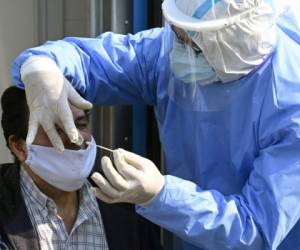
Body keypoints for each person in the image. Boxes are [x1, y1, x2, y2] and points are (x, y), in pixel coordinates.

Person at [11, 0, 300, 249]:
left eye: (186, 39)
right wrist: (41, 66)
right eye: (175, 32)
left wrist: (161, 195)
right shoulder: (170, 53)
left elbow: (258, 231)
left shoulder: (290, 105)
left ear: (225, 45)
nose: (174, 44)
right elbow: (95, 61)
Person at [0, 86, 162, 250]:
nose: (76, 137)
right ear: (20, 147)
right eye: (57, 129)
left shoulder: (129, 213)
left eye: (81, 124)